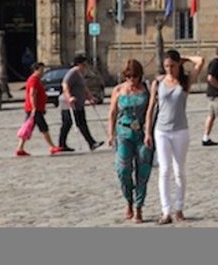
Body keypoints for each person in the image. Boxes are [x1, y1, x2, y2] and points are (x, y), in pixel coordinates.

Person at [144, 49, 205, 225]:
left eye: (172, 65)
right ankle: (166, 211)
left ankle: (179, 207)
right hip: (161, 130)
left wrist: (184, 58)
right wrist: (148, 132)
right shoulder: (158, 82)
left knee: (179, 170)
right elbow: (151, 109)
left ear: (178, 65)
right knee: (164, 170)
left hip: (180, 130)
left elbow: (200, 60)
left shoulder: (185, 82)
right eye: (166, 66)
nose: (169, 69)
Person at [108, 59, 154, 224]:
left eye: (135, 76)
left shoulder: (146, 90)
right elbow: (112, 113)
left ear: (140, 76)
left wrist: (148, 133)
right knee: (123, 170)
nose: (132, 80)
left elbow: (150, 113)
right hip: (123, 133)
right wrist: (110, 134)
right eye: (128, 76)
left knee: (142, 171)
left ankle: (139, 207)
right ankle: (128, 200)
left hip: (141, 133)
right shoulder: (119, 90)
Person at [59, 53, 104, 152]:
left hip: (78, 104)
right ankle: (62, 144)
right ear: (78, 64)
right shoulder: (73, 72)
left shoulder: (80, 73)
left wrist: (90, 98)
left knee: (79, 123)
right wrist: (69, 97)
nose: (85, 66)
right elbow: (65, 85)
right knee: (69, 124)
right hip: (69, 104)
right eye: (84, 64)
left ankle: (91, 143)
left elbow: (83, 88)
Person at [15, 62, 60, 156]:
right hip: (34, 109)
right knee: (43, 127)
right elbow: (32, 94)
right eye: (41, 69)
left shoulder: (36, 80)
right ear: (36, 70)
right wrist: (34, 108)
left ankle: (20, 148)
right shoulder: (34, 80)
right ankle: (52, 146)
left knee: (28, 128)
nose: (43, 72)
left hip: (34, 108)